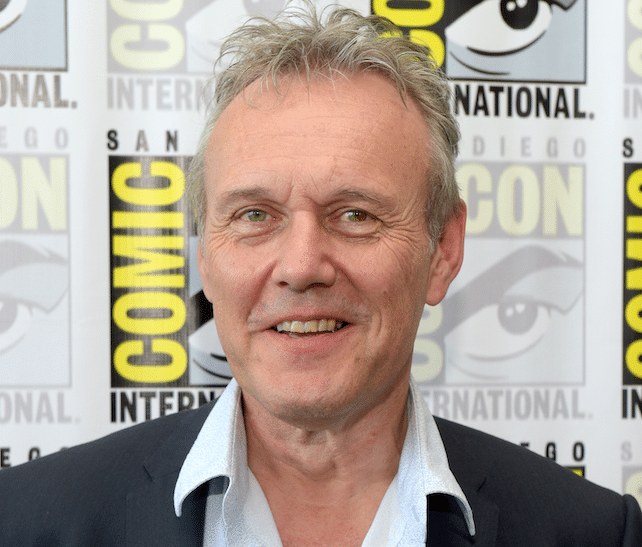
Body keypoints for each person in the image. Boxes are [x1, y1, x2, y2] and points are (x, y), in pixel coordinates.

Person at [1, 4, 641, 546]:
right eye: (254, 215)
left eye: (355, 215)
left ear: (443, 249)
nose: (302, 266)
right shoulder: (26, 522)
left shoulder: (588, 531)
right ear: (204, 257)